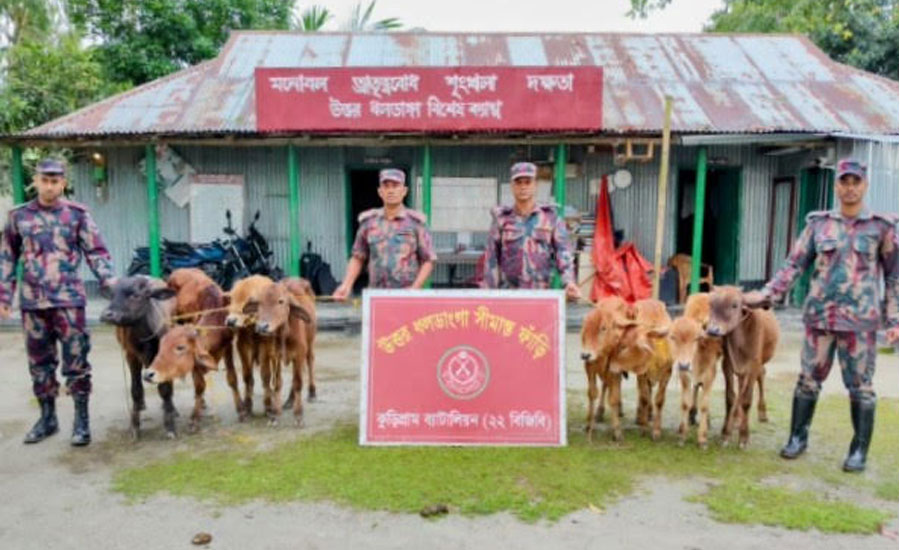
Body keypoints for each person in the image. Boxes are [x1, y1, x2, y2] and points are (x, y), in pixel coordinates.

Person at [745, 158, 898, 472]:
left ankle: (858, 451)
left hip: (860, 322)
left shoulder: (881, 227)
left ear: (865, 185)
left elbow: (893, 277)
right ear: (837, 185)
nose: (850, 188)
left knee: (861, 386)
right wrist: (767, 294)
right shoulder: (819, 225)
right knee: (807, 381)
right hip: (820, 319)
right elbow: (794, 265)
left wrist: (894, 319)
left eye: (856, 182)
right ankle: (797, 438)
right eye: (844, 182)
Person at [0, 158, 116, 446]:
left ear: (63, 183)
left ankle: (81, 421)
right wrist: (4, 296)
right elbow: (7, 258)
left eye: (55, 181)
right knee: (40, 364)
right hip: (33, 303)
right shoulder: (18, 217)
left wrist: (109, 282)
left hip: (69, 302)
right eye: (45, 180)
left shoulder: (77, 215)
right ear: (36, 181)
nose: (49, 186)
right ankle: (47, 418)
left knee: (77, 361)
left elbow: (96, 252)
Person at [481, 161, 581, 301]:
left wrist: (569, 282)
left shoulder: (550, 218)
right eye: (518, 182)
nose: (523, 187)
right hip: (508, 295)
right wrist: (488, 294)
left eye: (528, 182)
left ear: (535, 185)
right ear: (512, 186)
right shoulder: (501, 219)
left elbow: (563, 253)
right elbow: (491, 258)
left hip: (540, 295)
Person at [333, 168, 436, 300]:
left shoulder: (415, 223)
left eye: (395, 186)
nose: (390, 190)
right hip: (376, 295)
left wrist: (414, 289)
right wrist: (346, 285)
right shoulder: (369, 222)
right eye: (386, 186)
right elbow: (358, 257)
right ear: (380, 192)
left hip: (407, 295)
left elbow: (428, 260)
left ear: (404, 191)